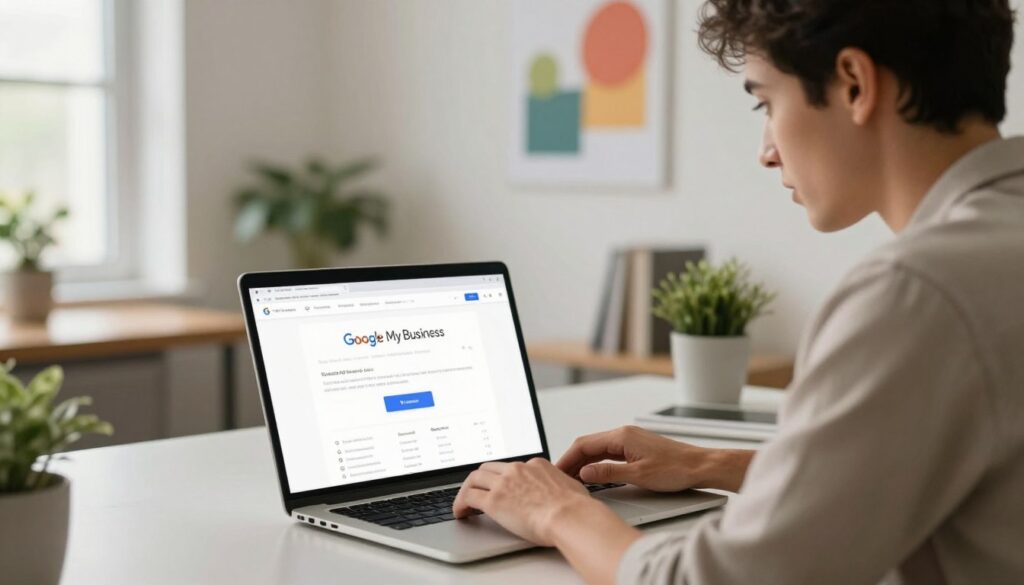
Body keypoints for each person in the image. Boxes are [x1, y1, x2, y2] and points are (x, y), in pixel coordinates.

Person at [452, 1, 1024, 583]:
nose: (766, 150)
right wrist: (710, 463)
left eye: (767, 102)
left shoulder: (915, 295)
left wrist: (556, 510)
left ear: (854, 84)